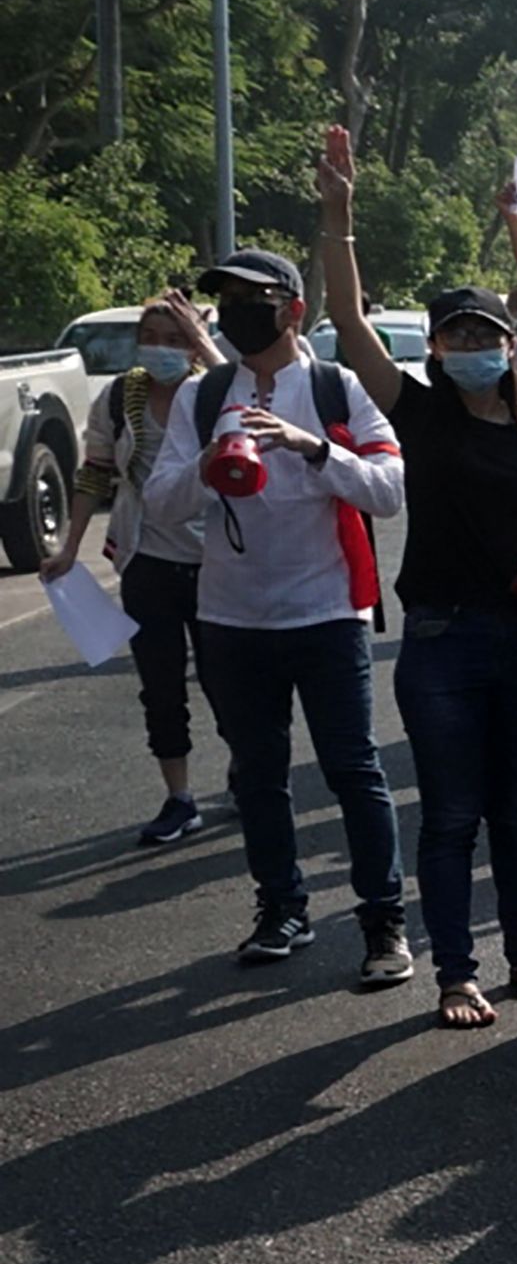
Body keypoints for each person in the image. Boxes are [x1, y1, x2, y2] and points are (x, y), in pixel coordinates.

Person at [143, 212, 411, 977]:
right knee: (256, 775)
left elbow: (389, 488)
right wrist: (210, 464)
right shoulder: (204, 395)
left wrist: (312, 448)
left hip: (327, 613)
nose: (234, 314)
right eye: (225, 301)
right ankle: (281, 907)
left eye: (251, 300)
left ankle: (383, 922)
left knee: (352, 769)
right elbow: (159, 503)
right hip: (232, 619)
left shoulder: (334, 386)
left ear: (292, 309)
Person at [334, 261, 517, 1029]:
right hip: (444, 638)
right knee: (451, 816)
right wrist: (338, 219)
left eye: (487, 335)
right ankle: (455, 976)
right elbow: (349, 321)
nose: (474, 347)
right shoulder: (420, 413)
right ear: (437, 350)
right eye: (458, 337)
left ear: (511, 346)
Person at [44, 290, 216, 843]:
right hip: (146, 559)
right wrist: (68, 548)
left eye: (175, 340)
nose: (160, 350)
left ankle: (247, 773)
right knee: (161, 687)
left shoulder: (213, 394)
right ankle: (179, 797)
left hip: (216, 563)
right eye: (150, 338)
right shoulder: (121, 398)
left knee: (228, 681)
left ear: (195, 345)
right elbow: (94, 472)